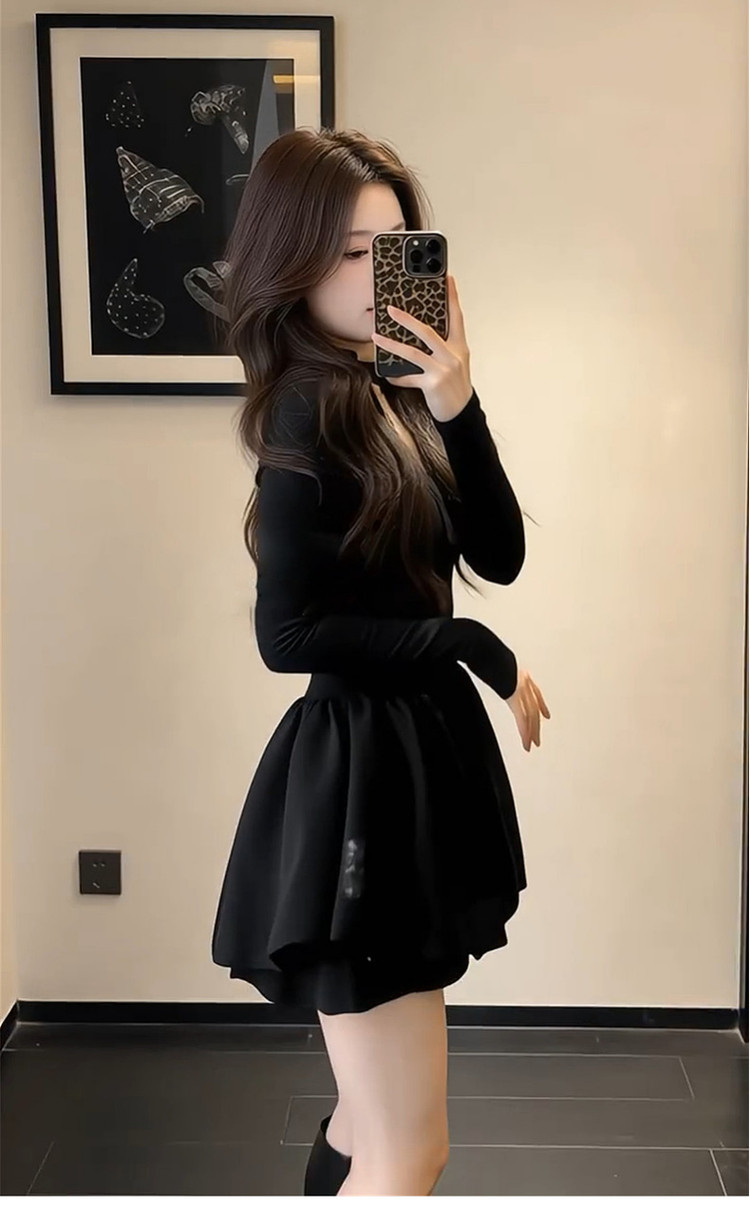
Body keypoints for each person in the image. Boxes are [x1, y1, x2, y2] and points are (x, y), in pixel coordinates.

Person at [210, 127, 551, 1196]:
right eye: (352, 251)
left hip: (405, 758)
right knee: (408, 1149)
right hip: (362, 769)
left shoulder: (392, 393)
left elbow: (499, 552)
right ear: (293, 259)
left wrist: (459, 400)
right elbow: (286, 636)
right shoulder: (306, 410)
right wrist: (470, 644)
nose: (378, 273)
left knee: (370, 1126)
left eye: (395, 246)